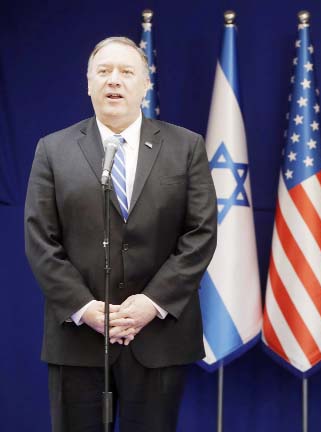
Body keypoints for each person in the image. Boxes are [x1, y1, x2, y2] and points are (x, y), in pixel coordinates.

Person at [24, 36, 217, 431]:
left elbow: (200, 234)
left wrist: (151, 303)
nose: (114, 80)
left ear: (146, 84)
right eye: (104, 71)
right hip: (78, 338)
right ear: (88, 82)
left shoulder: (186, 147)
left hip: (158, 336)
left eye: (127, 72)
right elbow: (41, 239)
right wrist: (85, 308)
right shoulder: (53, 150)